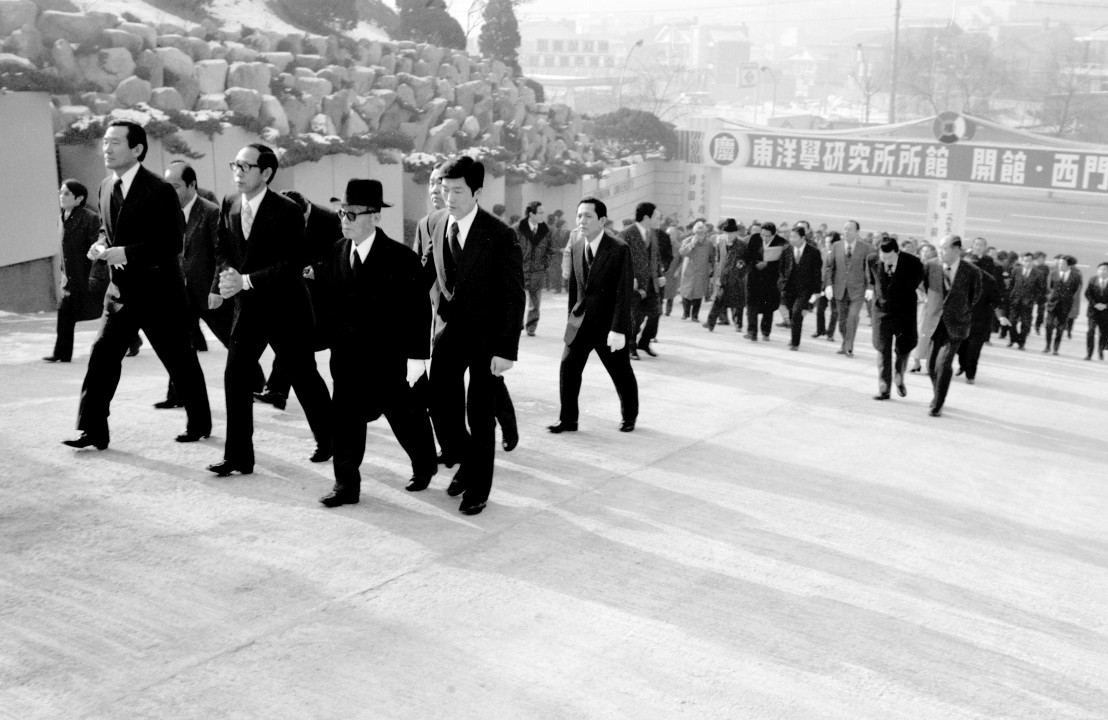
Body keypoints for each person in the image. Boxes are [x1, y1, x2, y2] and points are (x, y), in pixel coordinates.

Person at [63, 120, 211, 450]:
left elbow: (171, 242)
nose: (107, 148)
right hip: (120, 294)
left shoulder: (159, 189)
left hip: (160, 293)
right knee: (102, 357)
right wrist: (101, 245)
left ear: (137, 149)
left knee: (180, 361)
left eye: (115, 142)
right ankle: (93, 430)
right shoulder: (105, 186)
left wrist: (126, 253)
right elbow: (107, 229)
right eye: (105, 142)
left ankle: (199, 422)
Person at [206, 143, 333, 477]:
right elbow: (221, 246)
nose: (237, 172)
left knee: (304, 377)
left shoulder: (287, 210)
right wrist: (227, 275)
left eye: (245, 167)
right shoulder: (230, 203)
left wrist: (245, 280)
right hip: (247, 310)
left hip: (286, 308)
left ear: (266, 173)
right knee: (235, 376)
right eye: (235, 164)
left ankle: (330, 439)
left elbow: (291, 264)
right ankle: (238, 457)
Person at [314, 179, 438, 507]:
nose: (345, 220)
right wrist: (322, 338)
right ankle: (345, 486)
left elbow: (419, 310)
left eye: (353, 214)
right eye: (342, 212)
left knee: (406, 419)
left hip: (390, 361)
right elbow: (329, 303)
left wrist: (417, 358)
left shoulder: (400, 257)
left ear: (375, 217)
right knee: (345, 423)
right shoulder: (337, 251)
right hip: (347, 359)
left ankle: (425, 463)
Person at [424, 156, 525, 515]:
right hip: (450, 333)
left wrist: (506, 350)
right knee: (439, 404)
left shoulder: (499, 234)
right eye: (444, 189)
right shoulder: (437, 223)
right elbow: (425, 273)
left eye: (457, 191)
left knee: (480, 416)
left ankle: (478, 489)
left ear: (477, 192)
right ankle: (467, 461)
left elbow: (514, 296)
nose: (448, 198)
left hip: (487, 337)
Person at [152, 161, 264, 409]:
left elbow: (221, 254)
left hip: (209, 292)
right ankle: (177, 395)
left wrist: (216, 290)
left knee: (232, 340)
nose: (170, 191)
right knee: (178, 345)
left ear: (192, 185)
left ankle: (256, 384)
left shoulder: (211, 212)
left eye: (175, 186)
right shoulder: (166, 212)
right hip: (181, 294)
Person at [548, 197, 638, 434]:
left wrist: (618, 329)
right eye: (579, 215)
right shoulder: (577, 242)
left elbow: (624, 293)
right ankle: (568, 420)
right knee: (568, 368)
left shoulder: (618, 249)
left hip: (608, 326)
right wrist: (571, 318)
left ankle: (629, 416)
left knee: (621, 373)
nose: (582, 221)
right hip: (581, 323)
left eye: (588, 216)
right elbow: (576, 287)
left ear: (602, 220)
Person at [253, 189, 343, 410]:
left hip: (327, 296)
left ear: (306, 210)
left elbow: (339, 255)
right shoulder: (280, 217)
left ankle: (341, 401)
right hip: (297, 291)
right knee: (292, 340)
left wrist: (316, 270)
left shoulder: (329, 220)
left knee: (335, 350)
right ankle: (276, 391)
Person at [920, 234, 980, 418]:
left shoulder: (971, 271)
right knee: (931, 365)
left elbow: (974, 296)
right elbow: (925, 287)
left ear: (956, 250)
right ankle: (938, 393)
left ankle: (938, 404)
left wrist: (960, 311)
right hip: (934, 323)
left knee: (943, 363)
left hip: (955, 325)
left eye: (944, 248)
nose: (940, 252)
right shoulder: (931, 265)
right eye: (939, 248)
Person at [44, 180, 104, 363]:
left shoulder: (90, 218)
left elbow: (98, 245)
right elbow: (63, 251)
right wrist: (63, 273)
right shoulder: (61, 219)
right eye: (61, 192)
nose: (62, 196)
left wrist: (96, 273)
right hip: (71, 277)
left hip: (88, 275)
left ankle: (133, 340)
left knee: (106, 310)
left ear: (79, 199)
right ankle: (62, 353)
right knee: (65, 313)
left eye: (67, 193)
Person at [866, 235, 923, 400]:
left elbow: (915, 284)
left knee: (903, 348)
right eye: (882, 257)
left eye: (890, 257)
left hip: (904, 312)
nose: (885, 260)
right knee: (882, 349)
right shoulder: (872, 260)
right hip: (882, 311)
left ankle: (899, 375)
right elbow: (872, 281)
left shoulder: (913, 263)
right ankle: (884, 388)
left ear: (897, 252)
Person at [823, 219, 874, 358]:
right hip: (840, 289)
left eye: (850, 229)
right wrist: (828, 285)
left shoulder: (866, 248)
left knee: (852, 317)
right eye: (845, 228)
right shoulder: (836, 246)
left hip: (858, 290)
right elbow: (830, 267)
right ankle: (845, 342)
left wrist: (870, 287)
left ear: (857, 232)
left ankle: (849, 346)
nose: (846, 231)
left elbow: (871, 270)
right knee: (842, 321)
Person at [621, 202, 664, 358]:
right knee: (635, 317)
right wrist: (629, 277)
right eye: (657, 217)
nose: (659, 220)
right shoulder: (627, 234)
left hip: (651, 283)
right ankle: (630, 346)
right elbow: (620, 259)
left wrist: (660, 274)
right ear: (646, 217)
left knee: (656, 313)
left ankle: (644, 343)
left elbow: (655, 257)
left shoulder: (652, 233)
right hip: (635, 284)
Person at [777, 225, 823, 350]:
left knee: (797, 312)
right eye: (791, 236)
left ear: (803, 238)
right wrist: (781, 285)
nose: (792, 239)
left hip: (805, 289)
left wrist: (817, 291)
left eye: (795, 237)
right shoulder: (786, 250)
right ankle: (794, 336)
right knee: (792, 313)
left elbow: (817, 273)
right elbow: (781, 269)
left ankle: (795, 343)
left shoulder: (813, 252)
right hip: (789, 288)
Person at [742, 220, 787, 341]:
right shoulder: (754, 238)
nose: (765, 238)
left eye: (768, 236)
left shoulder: (781, 242)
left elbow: (783, 263)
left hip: (770, 280)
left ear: (774, 234)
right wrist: (747, 263)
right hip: (754, 277)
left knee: (768, 307)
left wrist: (768, 264)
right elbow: (747, 255)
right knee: (751, 305)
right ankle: (752, 332)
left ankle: (766, 332)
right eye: (763, 235)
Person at [516, 201, 552, 337]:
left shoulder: (546, 231)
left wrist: (544, 265)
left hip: (537, 271)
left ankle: (531, 327)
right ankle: (516, 325)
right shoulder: (517, 229)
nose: (543, 215)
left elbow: (551, 250)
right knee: (517, 300)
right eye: (540, 213)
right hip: (519, 271)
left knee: (535, 302)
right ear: (531, 214)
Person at [704, 218, 747, 332]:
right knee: (718, 300)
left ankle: (738, 324)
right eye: (726, 233)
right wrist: (718, 276)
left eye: (731, 233)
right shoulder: (720, 244)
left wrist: (740, 271)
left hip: (737, 278)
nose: (728, 235)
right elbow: (718, 260)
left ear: (736, 233)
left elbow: (746, 261)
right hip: (723, 277)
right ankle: (710, 323)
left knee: (737, 302)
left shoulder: (742, 245)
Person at [1044, 255, 1082, 355]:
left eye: (1063, 264)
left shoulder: (1076, 276)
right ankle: (1047, 346)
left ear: (1069, 265)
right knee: (1048, 325)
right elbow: (1051, 286)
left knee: (1060, 328)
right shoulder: (1054, 273)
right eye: (1059, 263)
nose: (1060, 265)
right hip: (1053, 304)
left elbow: (1074, 290)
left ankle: (1055, 348)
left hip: (1065, 306)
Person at [1006, 252, 1043, 351]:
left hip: (1028, 303)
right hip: (1015, 301)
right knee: (1012, 322)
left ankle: (1021, 342)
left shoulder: (1038, 273)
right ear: (1022, 261)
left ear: (1033, 261)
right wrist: (1010, 296)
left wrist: (1034, 299)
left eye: (1030, 261)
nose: (1027, 263)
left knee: (1025, 324)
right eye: (1025, 261)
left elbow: (1041, 289)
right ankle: (1013, 339)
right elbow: (1011, 284)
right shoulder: (1016, 270)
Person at [678, 220, 714, 322]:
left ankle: (695, 315)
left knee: (698, 294)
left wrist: (712, 269)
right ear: (694, 232)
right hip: (689, 271)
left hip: (702, 272)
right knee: (686, 292)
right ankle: (685, 313)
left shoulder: (709, 243)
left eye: (702, 233)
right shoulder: (687, 240)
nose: (700, 235)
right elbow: (682, 252)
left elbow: (712, 257)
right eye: (698, 232)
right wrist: (691, 245)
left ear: (705, 232)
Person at [1085, 262, 1108, 361]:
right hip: (1093, 311)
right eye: (1100, 269)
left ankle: (1100, 350)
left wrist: (1105, 305)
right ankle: (1089, 354)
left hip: (1105, 312)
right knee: (1090, 331)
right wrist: (1095, 304)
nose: (1102, 271)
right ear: (1097, 271)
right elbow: (1088, 294)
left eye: (1105, 269)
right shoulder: (1092, 280)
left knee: (1103, 333)